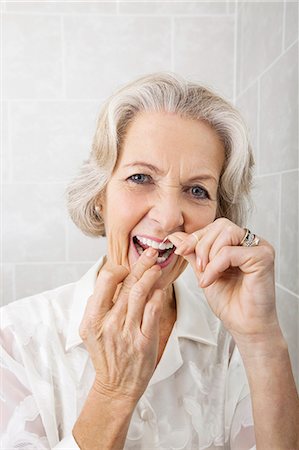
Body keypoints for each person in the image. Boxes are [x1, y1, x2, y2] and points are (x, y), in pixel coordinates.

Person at [1, 72, 298, 450]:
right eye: (140, 177)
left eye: (197, 190)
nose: (170, 216)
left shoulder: (233, 348)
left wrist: (262, 340)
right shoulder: (13, 339)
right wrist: (114, 392)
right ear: (99, 195)